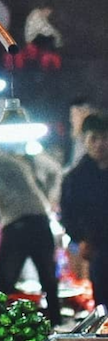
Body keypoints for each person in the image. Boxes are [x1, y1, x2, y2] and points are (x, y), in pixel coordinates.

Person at [0, 145, 60, 325]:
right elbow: (54, 171)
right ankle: (56, 324)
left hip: (16, 226)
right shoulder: (15, 160)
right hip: (41, 221)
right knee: (49, 282)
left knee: (2, 287)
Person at [60, 113, 108, 307]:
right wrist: (81, 239)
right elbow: (68, 214)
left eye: (105, 138)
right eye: (93, 138)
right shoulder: (75, 177)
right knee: (104, 305)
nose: (100, 144)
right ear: (85, 140)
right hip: (97, 248)